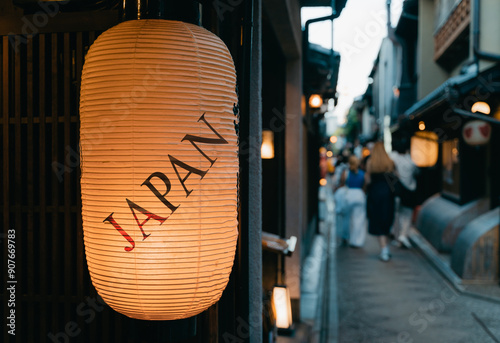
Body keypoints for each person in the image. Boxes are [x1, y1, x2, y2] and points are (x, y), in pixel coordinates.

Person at [365, 142, 396, 261]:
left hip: (375, 194)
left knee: (377, 221)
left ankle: (384, 249)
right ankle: (385, 248)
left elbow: (367, 180)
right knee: (386, 219)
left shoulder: (370, 162)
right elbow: (395, 177)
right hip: (388, 195)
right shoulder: (390, 162)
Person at [390, 139, 419, 249]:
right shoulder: (411, 161)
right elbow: (417, 171)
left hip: (397, 191)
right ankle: (403, 235)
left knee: (396, 214)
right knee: (407, 215)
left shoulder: (393, 157)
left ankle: (397, 238)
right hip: (410, 191)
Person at [342, 155, 367, 248]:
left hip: (348, 195)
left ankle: (345, 236)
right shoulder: (362, 174)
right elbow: (365, 186)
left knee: (347, 218)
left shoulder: (346, 173)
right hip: (359, 195)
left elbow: (342, 183)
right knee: (359, 219)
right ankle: (357, 241)